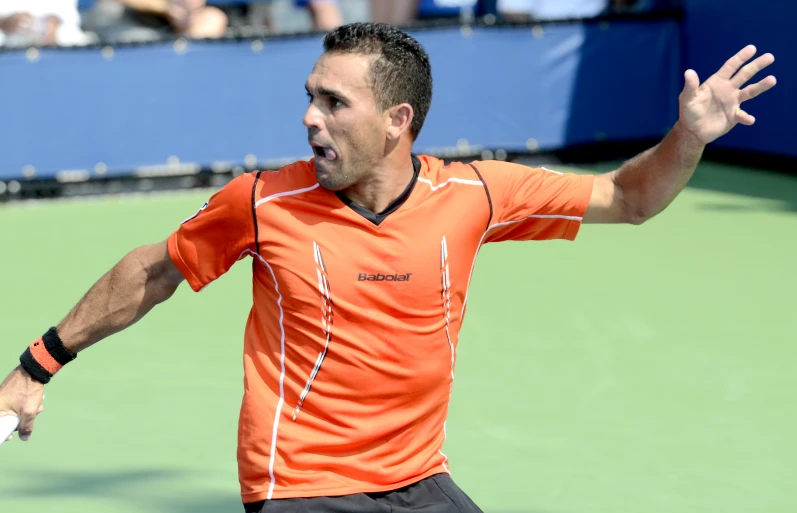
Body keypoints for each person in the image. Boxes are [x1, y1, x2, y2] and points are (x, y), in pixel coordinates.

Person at [0, 22, 776, 513]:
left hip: (417, 479)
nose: (309, 116)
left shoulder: (473, 192)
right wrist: (37, 362)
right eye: (310, 97)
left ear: (397, 120)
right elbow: (156, 268)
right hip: (299, 485)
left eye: (334, 103)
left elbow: (627, 197)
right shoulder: (263, 202)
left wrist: (689, 138)